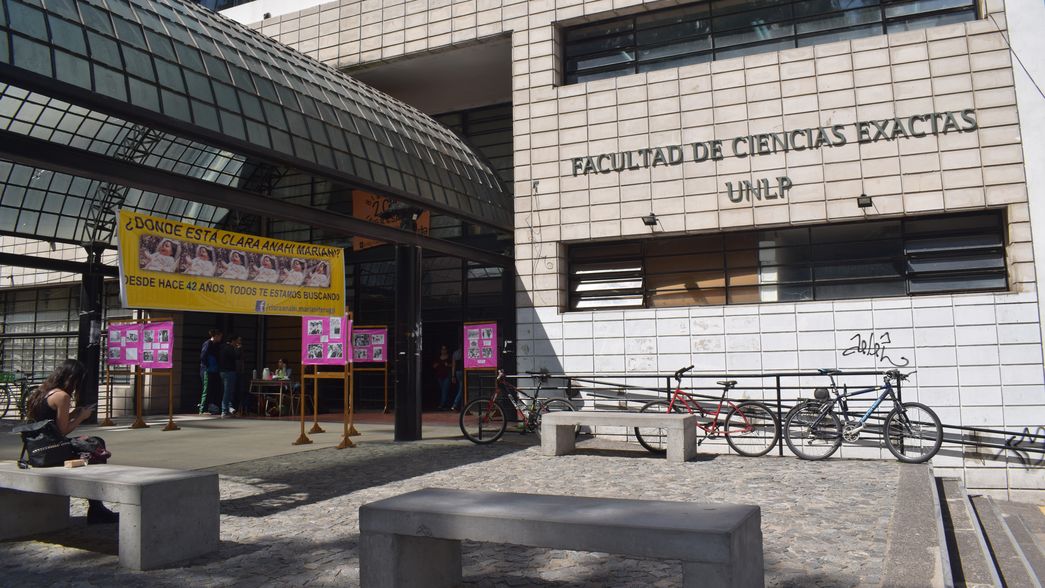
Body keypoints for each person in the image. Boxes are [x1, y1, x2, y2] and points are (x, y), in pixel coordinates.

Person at [25, 359, 118, 524]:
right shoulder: (62, 396)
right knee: (96, 445)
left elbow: (49, 421)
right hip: (53, 449)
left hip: (38, 447)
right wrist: (81, 417)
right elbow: (63, 430)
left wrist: (75, 412)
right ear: (74, 378)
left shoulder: (43, 391)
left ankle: (97, 508)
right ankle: (96, 508)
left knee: (92, 443)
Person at [199, 329, 222, 415]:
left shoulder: (216, 345)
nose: (220, 338)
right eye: (220, 336)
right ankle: (202, 409)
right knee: (206, 389)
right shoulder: (208, 343)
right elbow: (203, 356)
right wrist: (206, 366)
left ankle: (208, 407)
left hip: (213, 370)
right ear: (216, 336)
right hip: (207, 370)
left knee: (211, 389)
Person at [219, 335, 238, 418]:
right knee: (228, 391)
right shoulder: (229, 348)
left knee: (228, 391)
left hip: (222, 371)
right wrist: (238, 348)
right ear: (232, 341)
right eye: (236, 341)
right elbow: (236, 356)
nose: (237, 343)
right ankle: (224, 410)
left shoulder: (222, 347)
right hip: (229, 372)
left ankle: (228, 408)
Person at [433, 344, 452, 410]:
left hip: (447, 376)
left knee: (444, 390)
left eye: (444, 349)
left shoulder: (449, 357)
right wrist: (435, 365)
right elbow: (434, 366)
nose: (443, 351)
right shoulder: (438, 357)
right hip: (439, 376)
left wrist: (448, 365)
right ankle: (447, 405)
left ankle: (442, 405)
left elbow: (453, 365)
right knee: (443, 391)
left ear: (447, 350)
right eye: (442, 349)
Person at [449, 345, 464, 411]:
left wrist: (453, 376)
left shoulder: (455, 353)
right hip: (463, 371)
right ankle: (455, 405)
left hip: (457, 372)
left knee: (460, 388)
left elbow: (453, 365)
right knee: (461, 389)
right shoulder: (465, 351)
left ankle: (458, 406)